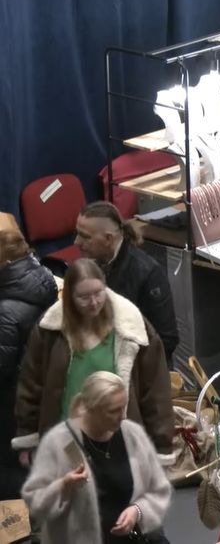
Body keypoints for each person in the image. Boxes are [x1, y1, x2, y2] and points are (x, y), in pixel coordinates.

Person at [13, 259, 174, 468]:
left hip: (117, 443)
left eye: (98, 293)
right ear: (69, 296)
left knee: (115, 486)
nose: (93, 302)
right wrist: (27, 436)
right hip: (66, 440)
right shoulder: (49, 330)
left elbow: (155, 392)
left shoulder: (132, 327)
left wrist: (161, 448)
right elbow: (31, 384)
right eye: (83, 297)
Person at [22, 372, 171, 544]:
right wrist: (63, 486)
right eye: (114, 411)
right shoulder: (60, 442)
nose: (123, 416)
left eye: (124, 407)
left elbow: (159, 489)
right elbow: (35, 503)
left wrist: (137, 511)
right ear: (91, 409)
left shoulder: (132, 434)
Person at [75, 202, 179, 364]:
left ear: (108, 239)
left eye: (85, 237)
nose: (77, 242)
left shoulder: (148, 274)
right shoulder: (95, 261)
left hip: (139, 368)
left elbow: (166, 340)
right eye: (77, 234)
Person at [0, 230, 58, 499]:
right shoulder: (45, 281)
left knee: (11, 466)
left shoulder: (6, 310)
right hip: (40, 389)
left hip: (11, 400)